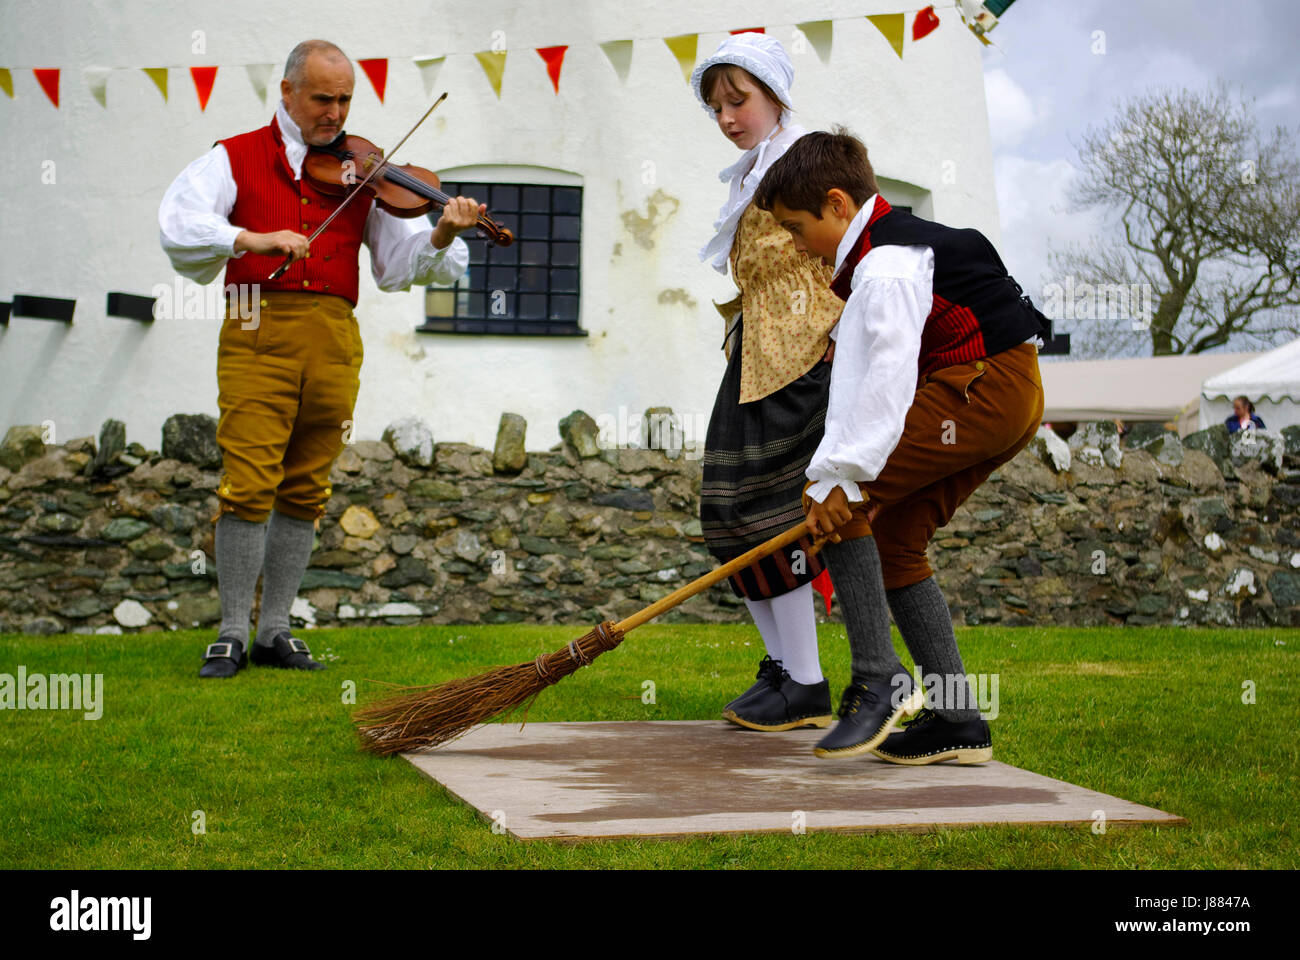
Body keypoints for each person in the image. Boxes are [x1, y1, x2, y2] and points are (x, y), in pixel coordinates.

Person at [159, 39, 483, 679]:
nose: (335, 113)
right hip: (255, 320)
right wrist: (250, 238)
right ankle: (231, 631)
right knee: (249, 479)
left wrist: (443, 231)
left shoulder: (364, 171)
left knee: (307, 484)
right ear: (287, 92)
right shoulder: (233, 157)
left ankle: (275, 630)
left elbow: (396, 267)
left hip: (334, 333)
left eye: (344, 100)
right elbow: (178, 226)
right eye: (321, 99)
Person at [755, 128, 1048, 763]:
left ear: (837, 204)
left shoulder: (885, 264)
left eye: (798, 228)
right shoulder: (889, 250)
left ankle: (877, 678)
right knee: (893, 541)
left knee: (836, 504)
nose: (798, 246)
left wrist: (842, 477)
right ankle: (958, 720)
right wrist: (842, 475)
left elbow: (882, 379)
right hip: (1003, 392)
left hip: (982, 389)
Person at [689, 34, 845, 731]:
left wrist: (841, 341)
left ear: (776, 94)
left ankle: (805, 680)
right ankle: (785, 671)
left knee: (774, 518)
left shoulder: (807, 159)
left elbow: (851, 250)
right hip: (755, 356)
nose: (727, 118)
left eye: (738, 100)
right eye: (716, 107)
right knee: (728, 512)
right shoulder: (752, 172)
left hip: (807, 358)